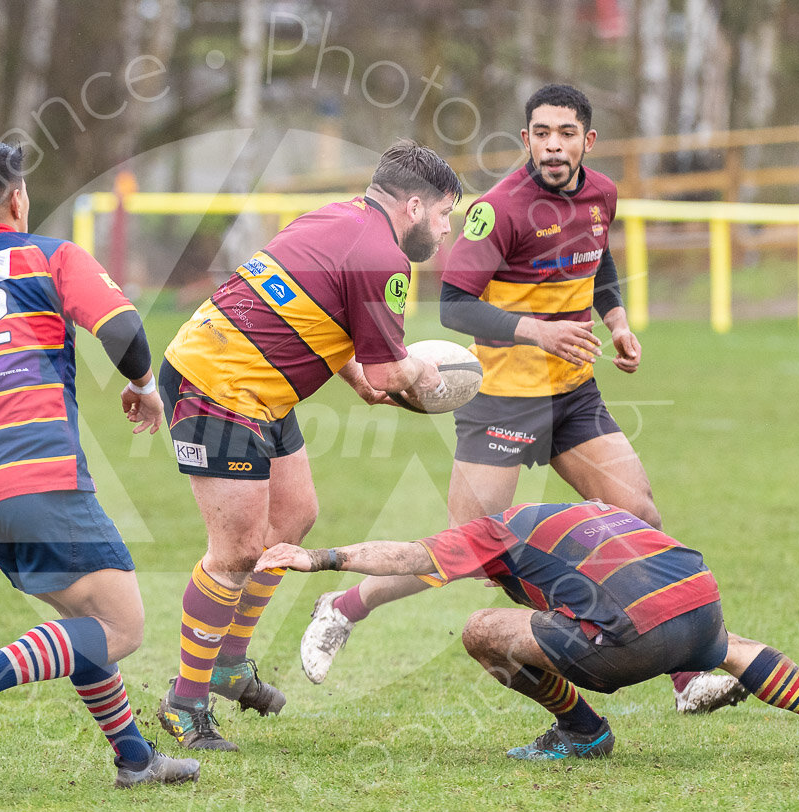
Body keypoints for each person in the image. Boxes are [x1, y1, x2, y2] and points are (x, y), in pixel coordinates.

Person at [300, 84, 745, 714]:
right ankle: (344, 605)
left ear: (588, 141)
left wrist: (616, 321)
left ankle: (685, 676)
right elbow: (454, 305)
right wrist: (540, 331)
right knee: (467, 547)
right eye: (541, 133)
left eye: (566, 133)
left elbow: (601, 259)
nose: (553, 145)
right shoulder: (498, 209)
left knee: (639, 517)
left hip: (572, 396)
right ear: (526, 139)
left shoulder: (602, 195)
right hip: (502, 399)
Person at [0, 142, 198, 788]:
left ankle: (134, 759)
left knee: (85, 625)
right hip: (42, 479)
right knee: (121, 625)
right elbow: (125, 330)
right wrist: (144, 385)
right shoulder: (49, 257)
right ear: (17, 199)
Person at [154, 139, 463, 751]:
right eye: (445, 214)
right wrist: (433, 379)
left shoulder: (333, 217)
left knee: (294, 516)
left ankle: (228, 663)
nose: (446, 229)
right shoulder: (385, 260)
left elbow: (313, 311)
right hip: (218, 384)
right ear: (414, 205)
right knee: (236, 551)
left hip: (257, 381)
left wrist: (364, 373)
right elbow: (387, 371)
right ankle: (184, 702)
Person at [262, 500, 799, 760]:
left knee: (482, 630)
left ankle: (582, 734)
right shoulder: (591, 514)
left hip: (626, 643)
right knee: (731, 649)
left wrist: (320, 558)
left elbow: (411, 558)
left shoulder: (495, 532)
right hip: (702, 604)